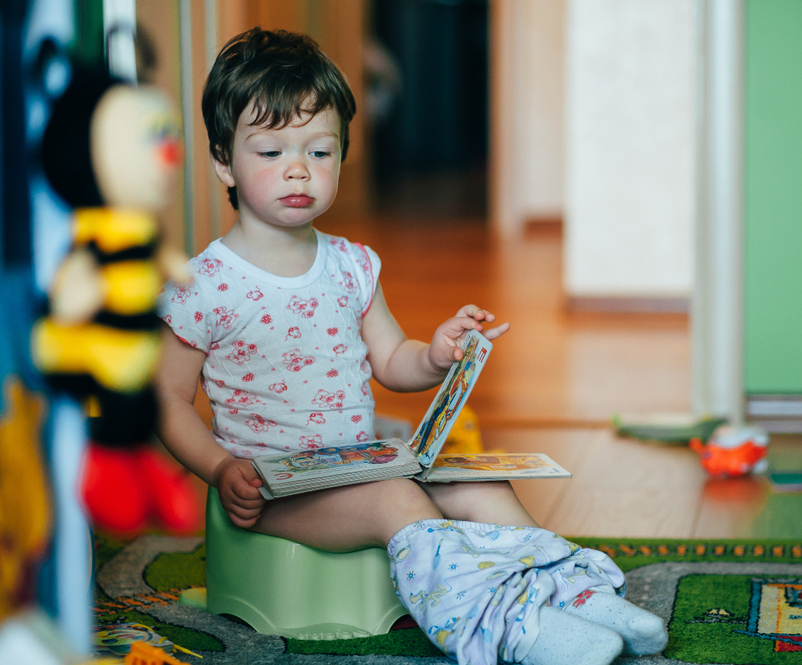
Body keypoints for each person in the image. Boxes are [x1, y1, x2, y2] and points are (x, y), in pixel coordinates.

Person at [155, 27, 667, 665]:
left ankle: (575, 596)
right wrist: (221, 470)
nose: (298, 169)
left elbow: (393, 361)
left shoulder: (350, 266)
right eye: (270, 151)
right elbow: (169, 401)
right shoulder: (205, 284)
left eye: (319, 151)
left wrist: (438, 354)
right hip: (273, 490)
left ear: (343, 154)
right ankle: (507, 630)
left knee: (484, 488)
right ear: (224, 162)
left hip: (358, 459)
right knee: (398, 500)